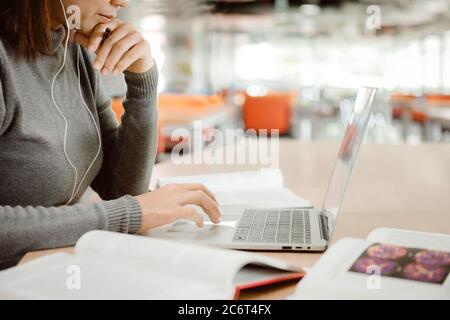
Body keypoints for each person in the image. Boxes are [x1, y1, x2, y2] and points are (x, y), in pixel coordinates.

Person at [0, 0, 221, 270]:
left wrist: (143, 79)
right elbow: (127, 207)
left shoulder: (74, 52)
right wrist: (126, 215)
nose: (121, 2)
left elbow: (123, 189)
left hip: (58, 268)